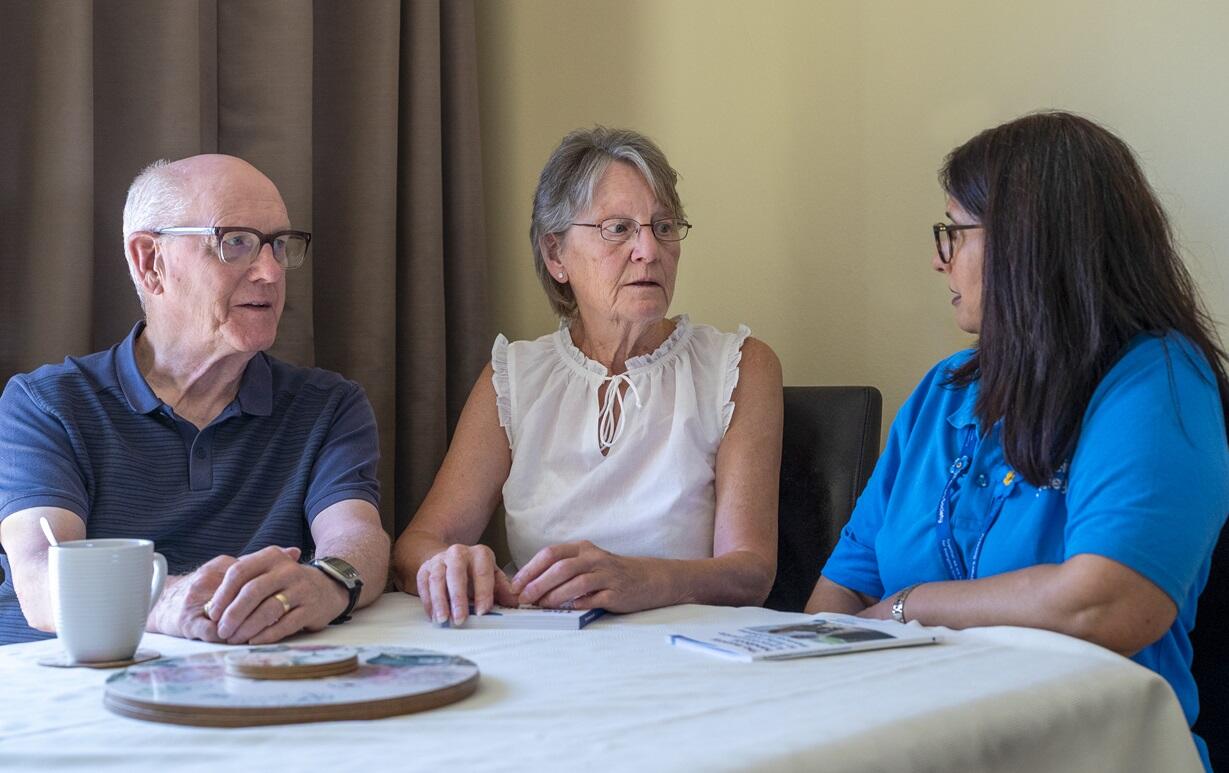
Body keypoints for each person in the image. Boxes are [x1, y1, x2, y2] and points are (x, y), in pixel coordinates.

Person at [806, 111, 1229, 768]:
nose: (937, 258)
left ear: (1025, 243)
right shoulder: (941, 390)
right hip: (914, 741)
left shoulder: (1159, 381)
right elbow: (839, 593)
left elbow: (1104, 601)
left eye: (953, 232)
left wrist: (908, 606)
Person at [393, 127, 782, 624]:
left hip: (682, 651)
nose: (649, 249)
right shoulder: (515, 376)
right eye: (618, 228)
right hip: (542, 649)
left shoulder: (739, 367)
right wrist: (451, 565)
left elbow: (750, 573)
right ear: (556, 255)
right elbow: (415, 548)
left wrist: (644, 580)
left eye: (663, 226)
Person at [0, 155, 390, 646]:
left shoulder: (329, 407)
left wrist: (325, 582)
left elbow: (359, 539)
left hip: (243, 685)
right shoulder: (47, 404)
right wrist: (167, 601)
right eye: (236, 243)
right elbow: (39, 580)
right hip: (65, 690)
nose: (270, 272)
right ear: (150, 262)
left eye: (278, 245)